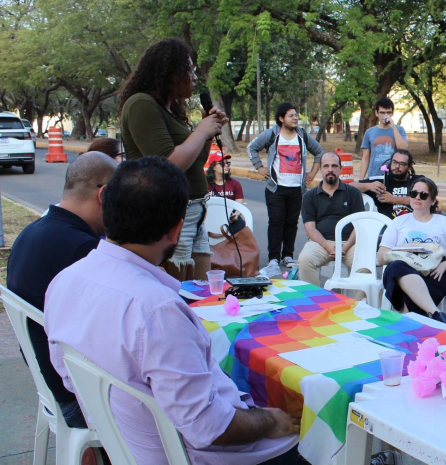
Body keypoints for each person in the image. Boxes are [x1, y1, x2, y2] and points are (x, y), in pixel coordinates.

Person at [44, 157, 305, 464]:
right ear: (177, 229)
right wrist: (269, 422)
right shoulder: (158, 311)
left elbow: (67, 374)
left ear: (107, 208)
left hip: (127, 445)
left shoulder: (64, 282)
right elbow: (210, 428)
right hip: (202, 454)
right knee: (323, 437)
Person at [7, 152, 117, 431]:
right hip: (78, 398)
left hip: (49, 384)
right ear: (104, 195)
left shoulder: (32, 232)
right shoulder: (82, 249)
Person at [118, 38, 228, 281]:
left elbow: (194, 162)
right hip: (171, 212)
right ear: (169, 73)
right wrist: (200, 131)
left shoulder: (170, 111)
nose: (195, 78)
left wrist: (207, 131)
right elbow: (168, 166)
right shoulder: (140, 104)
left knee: (202, 289)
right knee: (179, 287)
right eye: (189, 71)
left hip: (194, 211)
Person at [248, 102, 324, 276]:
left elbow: (319, 151)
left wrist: (312, 173)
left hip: (296, 188)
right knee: (276, 221)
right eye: (291, 115)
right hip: (276, 188)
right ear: (281, 118)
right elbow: (251, 148)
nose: (295, 118)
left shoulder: (302, 135)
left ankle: (287, 256)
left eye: (296, 115)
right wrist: (259, 167)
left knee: (291, 222)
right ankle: (274, 258)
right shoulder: (273, 134)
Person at [377, 177, 446, 321]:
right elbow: (381, 257)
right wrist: (403, 249)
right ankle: (435, 313)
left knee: (408, 293)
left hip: (434, 271)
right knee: (395, 267)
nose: (417, 197)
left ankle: (407, 318)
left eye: (423, 195)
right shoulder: (399, 222)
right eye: (413, 193)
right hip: (402, 268)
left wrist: (444, 265)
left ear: (433, 201)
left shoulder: (443, 222)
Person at [297, 151, 366, 287]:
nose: (330, 170)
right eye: (326, 166)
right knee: (305, 260)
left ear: (340, 169)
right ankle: (316, 301)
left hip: (349, 244)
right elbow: (309, 228)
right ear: (320, 169)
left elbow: (360, 226)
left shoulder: (353, 193)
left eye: (334, 166)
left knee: (364, 265)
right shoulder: (310, 196)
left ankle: (358, 305)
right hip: (320, 243)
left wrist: (345, 247)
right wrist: (328, 246)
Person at [353, 148, 419, 218]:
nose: (397, 166)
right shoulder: (381, 180)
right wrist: (368, 186)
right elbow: (350, 186)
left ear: (409, 166)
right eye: (394, 162)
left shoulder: (417, 181)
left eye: (402, 164)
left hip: (413, 223)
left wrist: (393, 199)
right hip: (387, 224)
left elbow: (426, 199)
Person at [360, 96, 408, 179]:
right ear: (376, 113)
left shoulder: (399, 130)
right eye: (382, 113)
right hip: (374, 175)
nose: (385, 115)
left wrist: (393, 127)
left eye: (388, 112)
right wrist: (361, 180)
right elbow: (365, 157)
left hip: (394, 176)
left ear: (392, 113)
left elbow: (403, 149)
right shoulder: (369, 132)